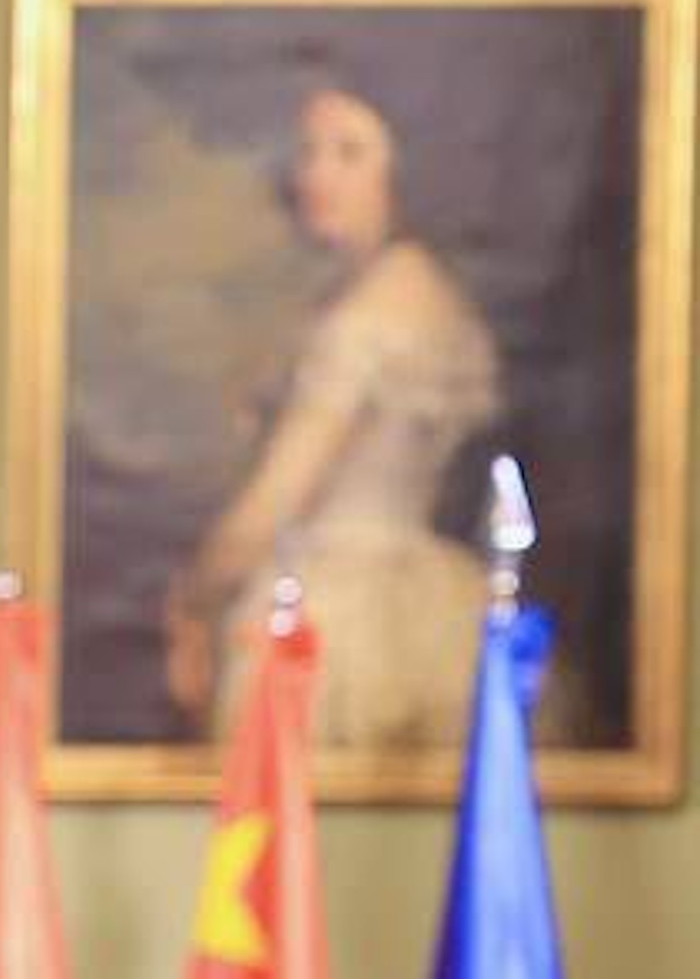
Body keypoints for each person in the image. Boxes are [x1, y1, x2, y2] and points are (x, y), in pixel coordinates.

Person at [162, 73, 504, 749]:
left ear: (403, 169)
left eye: (350, 152)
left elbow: (275, 500)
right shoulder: (420, 286)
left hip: (345, 614)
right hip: (424, 604)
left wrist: (192, 600)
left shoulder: (371, 311)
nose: (318, 173)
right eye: (309, 150)